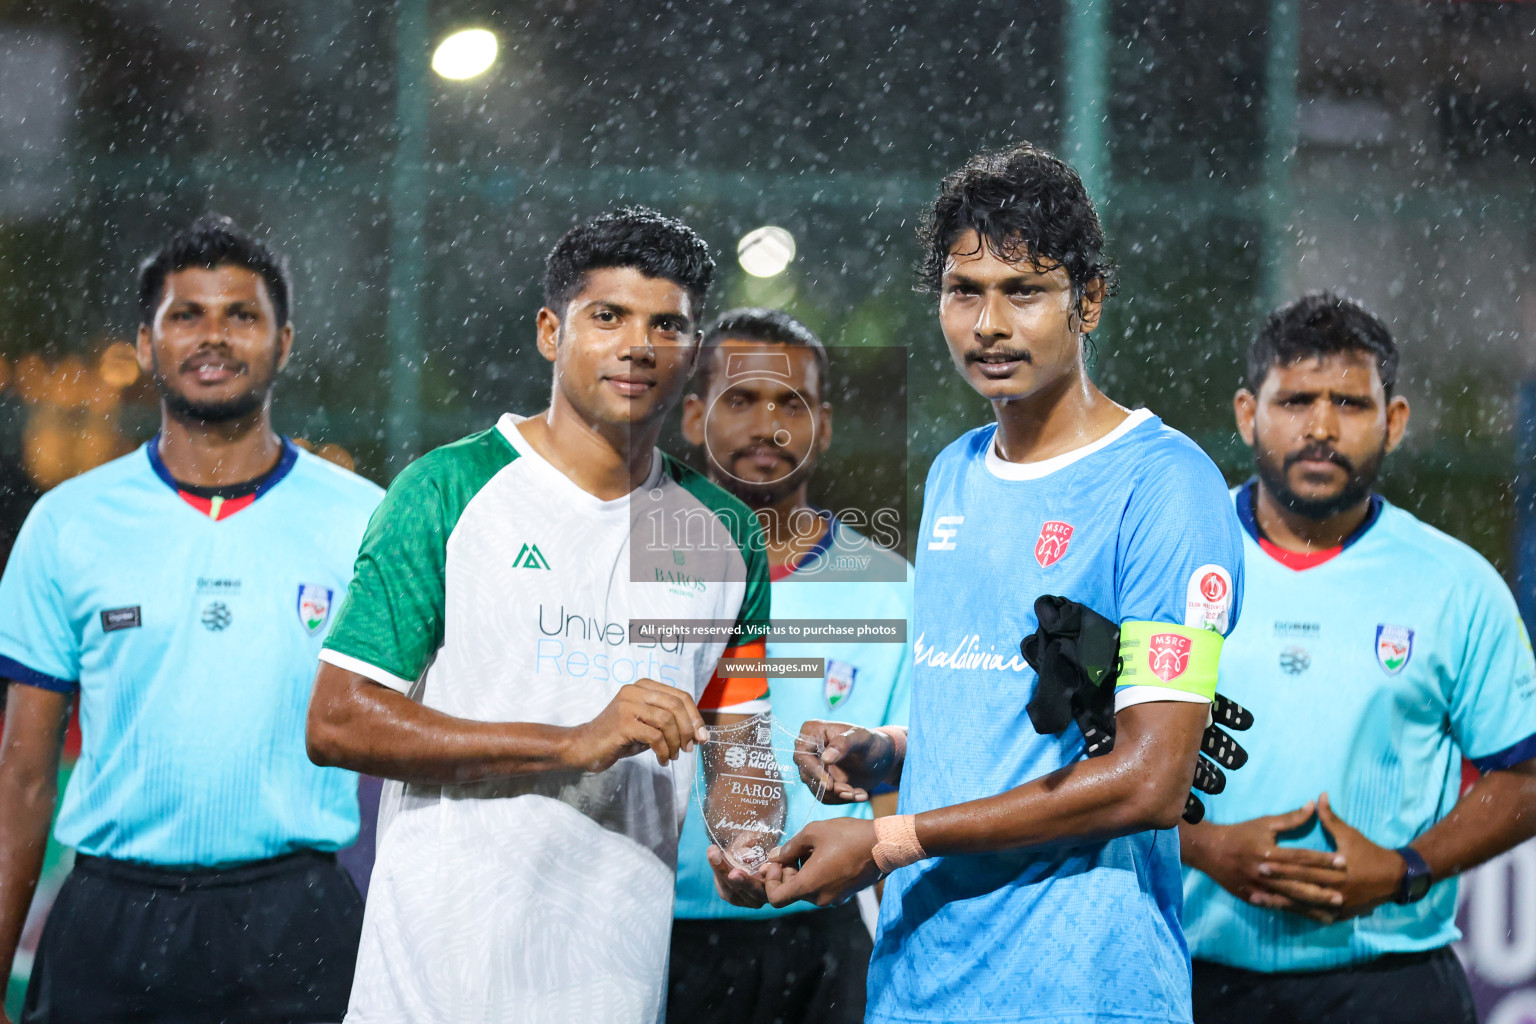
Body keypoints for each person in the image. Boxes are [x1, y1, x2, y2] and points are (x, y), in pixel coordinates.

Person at [745, 142, 1247, 1024]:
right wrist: (892, 753)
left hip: (1081, 987)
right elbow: (994, 710)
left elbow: (1151, 780)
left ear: (1087, 301)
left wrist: (889, 839)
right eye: (963, 291)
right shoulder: (953, 473)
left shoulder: (1166, 484)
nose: (988, 325)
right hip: (920, 979)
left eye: (1024, 291)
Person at [305, 207, 775, 1024]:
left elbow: (739, 745)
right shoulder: (447, 491)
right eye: (608, 316)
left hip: (613, 990)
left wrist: (748, 844)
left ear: (694, 352)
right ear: (550, 332)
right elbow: (339, 723)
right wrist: (567, 744)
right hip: (431, 992)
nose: (639, 344)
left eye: (667, 324)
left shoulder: (727, 533)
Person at [0, 216, 382, 1023]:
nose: (214, 336)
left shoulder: (363, 521)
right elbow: (24, 777)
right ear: (145, 344)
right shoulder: (69, 523)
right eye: (187, 315)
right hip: (109, 916)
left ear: (284, 343)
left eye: (242, 315)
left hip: (298, 916)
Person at [1178, 292, 1536, 1024]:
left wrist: (1406, 870)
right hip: (1187, 980)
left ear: (1394, 422)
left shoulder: (1456, 584)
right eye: (1296, 399)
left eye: (1349, 402)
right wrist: (1201, 846)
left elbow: (1525, 779)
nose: (1320, 427)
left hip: (1392, 987)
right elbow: (1087, 755)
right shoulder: (1168, 560)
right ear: (1249, 413)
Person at [669, 308, 913, 1024]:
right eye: (740, 400)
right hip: (659, 924)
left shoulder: (890, 588)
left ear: (825, 427)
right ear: (692, 416)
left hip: (829, 938)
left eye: (791, 404)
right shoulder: (632, 571)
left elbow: (901, 791)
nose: (767, 425)